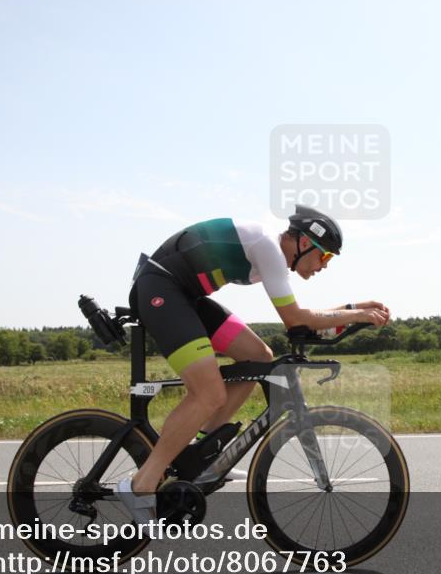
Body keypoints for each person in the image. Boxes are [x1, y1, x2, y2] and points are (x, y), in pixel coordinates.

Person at [117, 205, 390, 524]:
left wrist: (352, 309)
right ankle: (142, 484)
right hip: (161, 288)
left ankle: (201, 454)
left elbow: (301, 320)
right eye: (324, 256)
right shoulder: (269, 250)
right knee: (209, 394)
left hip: (184, 294)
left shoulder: (270, 254)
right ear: (304, 243)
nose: (324, 266)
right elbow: (295, 319)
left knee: (258, 357)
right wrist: (354, 313)